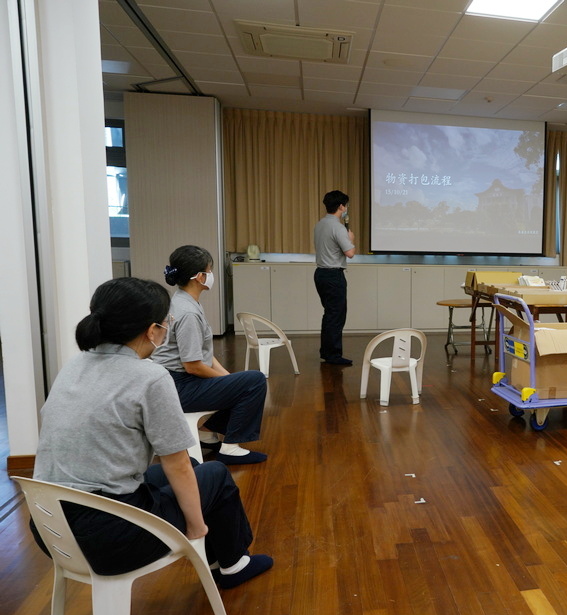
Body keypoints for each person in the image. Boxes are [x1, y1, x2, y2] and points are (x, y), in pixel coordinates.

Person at [30, 277, 272, 587]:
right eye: (165, 323)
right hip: (106, 540)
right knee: (214, 474)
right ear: (151, 330)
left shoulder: (75, 365)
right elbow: (177, 464)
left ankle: (220, 559)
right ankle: (234, 564)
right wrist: (196, 528)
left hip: (50, 529)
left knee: (197, 469)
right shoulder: (150, 376)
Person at [152, 245, 268, 465]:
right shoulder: (187, 313)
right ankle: (231, 448)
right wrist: (230, 381)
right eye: (209, 271)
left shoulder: (182, 301)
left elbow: (204, 352)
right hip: (180, 385)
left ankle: (206, 432)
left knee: (241, 382)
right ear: (198, 277)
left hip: (174, 381)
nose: (211, 276)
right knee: (255, 380)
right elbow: (193, 366)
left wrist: (229, 378)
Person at [314, 189, 356, 365]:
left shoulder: (320, 224)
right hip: (333, 275)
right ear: (341, 206)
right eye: (345, 205)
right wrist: (351, 238)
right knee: (336, 315)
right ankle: (333, 355)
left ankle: (327, 351)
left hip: (321, 274)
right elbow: (350, 252)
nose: (346, 208)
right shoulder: (337, 227)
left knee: (330, 314)